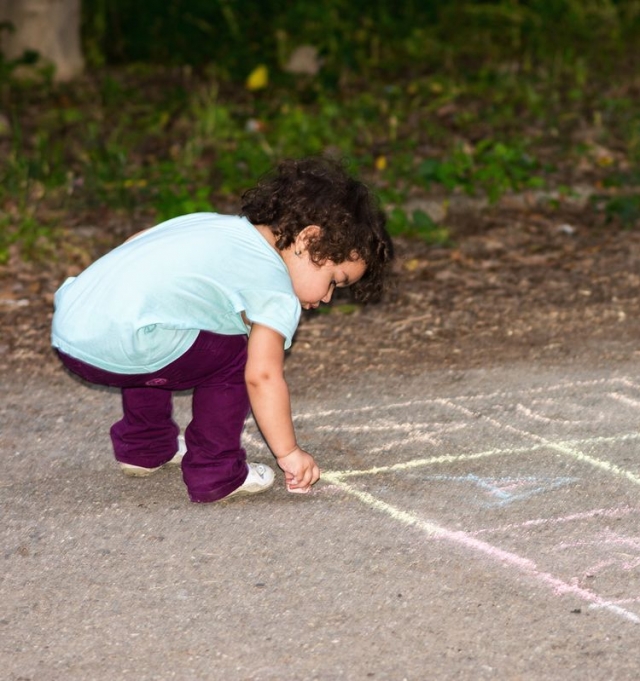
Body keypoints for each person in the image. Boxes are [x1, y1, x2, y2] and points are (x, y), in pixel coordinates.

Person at [51, 157, 394, 502]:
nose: (328, 297)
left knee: (159, 321)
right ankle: (216, 472)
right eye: (334, 280)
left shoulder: (215, 225)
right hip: (121, 343)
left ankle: (146, 447)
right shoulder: (275, 288)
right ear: (309, 239)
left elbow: (137, 243)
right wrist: (289, 452)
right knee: (238, 356)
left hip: (73, 324)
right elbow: (261, 377)